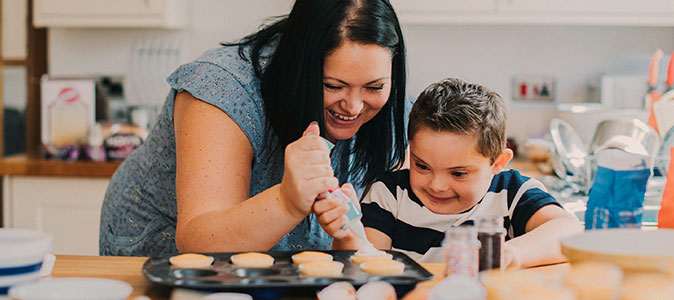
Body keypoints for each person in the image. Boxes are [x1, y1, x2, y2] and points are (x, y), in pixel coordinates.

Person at [99, 0, 408, 257]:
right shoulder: (222, 88)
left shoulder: (393, 110)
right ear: (299, 67)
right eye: (333, 86)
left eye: (374, 86)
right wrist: (287, 201)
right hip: (161, 256)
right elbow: (200, 240)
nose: (353, 106)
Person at [317, 78, 582, 267]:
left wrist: (509, 254)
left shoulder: (511, 192)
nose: (437, 185)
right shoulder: (389, 194)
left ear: (498, 163)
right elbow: (363, 263)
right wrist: (347, 234)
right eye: (422, 166)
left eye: (458, 174)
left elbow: (568, 231)